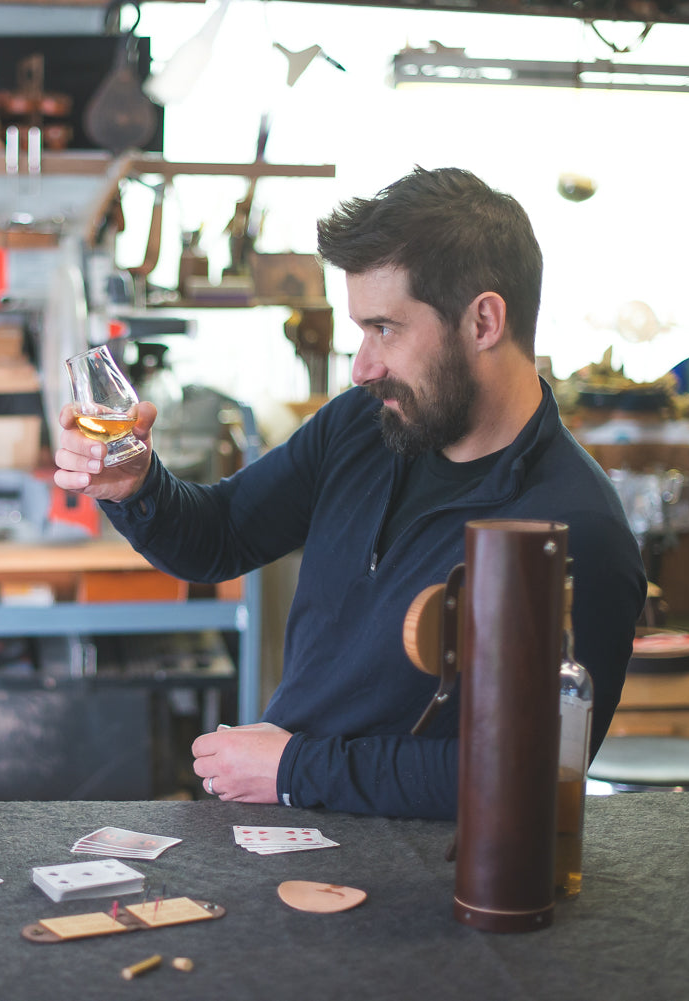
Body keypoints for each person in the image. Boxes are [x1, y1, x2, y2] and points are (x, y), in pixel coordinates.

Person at [53, 166, 646, 820]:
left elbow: (524, 772)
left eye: (384, 329)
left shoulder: (575, 529)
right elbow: (220, 535)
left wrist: (291, 767)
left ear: (483, 321)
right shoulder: (365, 425)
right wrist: (138, 488)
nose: (363, 366)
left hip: (422, 886)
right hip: (287, 831)